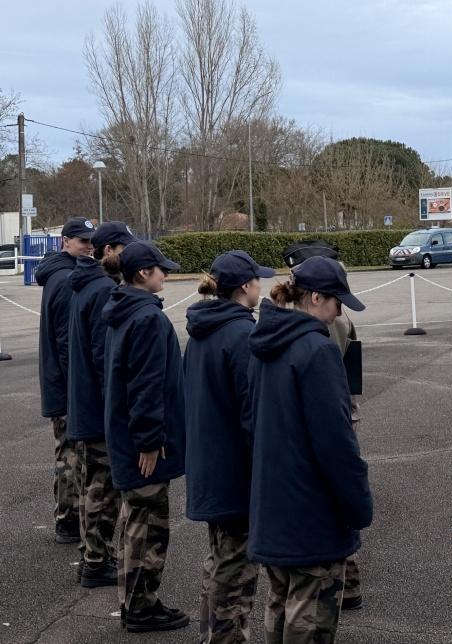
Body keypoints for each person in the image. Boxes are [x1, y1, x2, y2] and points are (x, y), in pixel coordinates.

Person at [248, 256, 373, 643]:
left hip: (273, 502)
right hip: (311, 511)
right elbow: (336, 443)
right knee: (311, 618)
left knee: (280, 604)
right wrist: (358, 505)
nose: (339, 311)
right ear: (316, 297)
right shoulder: (317, 352)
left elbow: (250, 420)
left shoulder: (264, 344)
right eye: (337, 301)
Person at [184, 250, 275, 643]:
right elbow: (252, 410)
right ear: (244, 287)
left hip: (208, 463)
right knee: (236, 569)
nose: (262, 286)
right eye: (258, 280)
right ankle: (226, 637)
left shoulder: (202, 332)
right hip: (236, 469)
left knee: (219, 558)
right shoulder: (242, 335)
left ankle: (211, 634)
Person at [103, 241, 189, 633]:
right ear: (143, 273)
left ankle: (134, 603)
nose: (165, 274)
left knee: (134, 522)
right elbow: (146, 385)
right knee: (149, 526)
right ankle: (142, 606)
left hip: (125, 436)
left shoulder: (124, 313)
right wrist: (150, 441)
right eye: (160, 269)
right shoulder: (148, 319)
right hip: (143, 444)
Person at [281, 241, 365, 611]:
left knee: (331, 504)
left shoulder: (316, 327)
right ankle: (347, 581)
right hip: (334, 416)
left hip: (323, 422)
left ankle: (344, 582)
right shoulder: (335, 320)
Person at [66, 221, 137, 588]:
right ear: (108, 251)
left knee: (92, 482)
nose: (128, 254)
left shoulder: (86, 284)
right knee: (101, 486)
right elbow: (102, 356)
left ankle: (92, 555)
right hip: (98, 407)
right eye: (123, 248)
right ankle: (96, 559)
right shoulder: (102, 290)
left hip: (86, 402)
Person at [35, 216, 94, 544]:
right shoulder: (66, 279)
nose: (88, 246)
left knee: (68, 451)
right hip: (68, 384)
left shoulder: (59, 272)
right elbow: (68, 340)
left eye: (90, 241)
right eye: (82, 240)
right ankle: (68, 520)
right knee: (72, 454)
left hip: (61, 381)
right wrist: (79, 385)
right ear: (65, 241)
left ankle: (68, 517)